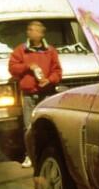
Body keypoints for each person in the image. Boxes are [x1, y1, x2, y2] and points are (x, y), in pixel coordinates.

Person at [8, 21, 62, 168]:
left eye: (33, 30)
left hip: (46, 94)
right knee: (29, 127)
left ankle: (45, 155)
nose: (29, 32)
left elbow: (57, 72)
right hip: (28, 95)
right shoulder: (21, 50)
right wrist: (27, 66)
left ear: (41, 34)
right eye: (29, 30)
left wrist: (49, 80)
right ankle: (30, 156)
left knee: (47, 127)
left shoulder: (50, 51)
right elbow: (12, 68)